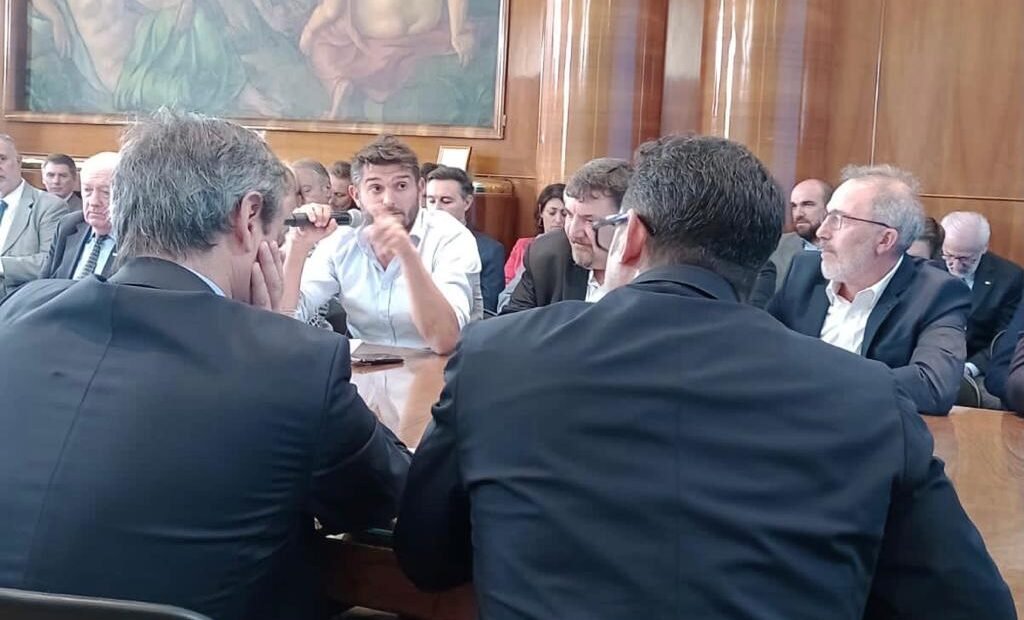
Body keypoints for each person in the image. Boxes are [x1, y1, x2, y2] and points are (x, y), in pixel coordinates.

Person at [394, 134, 1014, 620]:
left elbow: (426, 557)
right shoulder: (867, 397)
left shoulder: (496, 358)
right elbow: (969, 606)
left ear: (631, 237)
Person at [0, 111, 410, 620]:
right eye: (277, 232)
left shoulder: (21, 311)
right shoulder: (294, 363)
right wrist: (271, 336)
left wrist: (265, 340)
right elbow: (387, 494)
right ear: (248, 217)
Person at [768, 165, 970, 415]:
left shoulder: (937, 292)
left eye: (839, 220)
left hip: (871, 431)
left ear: (885, 240)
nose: (821, 232)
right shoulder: (804, 271)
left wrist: (823, 382)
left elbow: (932, 386)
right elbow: (762, 348)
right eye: (827, 215)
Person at [281, 135, 480, 354]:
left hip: (438, 366)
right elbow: (286, 319)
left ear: (420, 189)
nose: (389, 200)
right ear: (356, 195)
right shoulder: (341, 239)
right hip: (362, 367)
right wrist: (298, 247)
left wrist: (407, 255)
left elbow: (445, 341)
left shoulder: (450, 236)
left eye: (401, 186)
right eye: (376, 188)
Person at [501, 159, 631, 313]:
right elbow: (512, 323)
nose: (573, 232)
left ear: (626, 223)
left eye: (590, 220)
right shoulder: (546, 256)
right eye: (569, 214)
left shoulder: (650, 271)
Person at [940, 211, 1023, 383]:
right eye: (949, 255)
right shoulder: (928, 265)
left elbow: (1004, 338)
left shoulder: (1010, 278)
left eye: (965, 258)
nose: (955, 265)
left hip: (976, 365)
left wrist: (971, 368)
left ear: (984, 248)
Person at [0, 134, 72, 298]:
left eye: (2, 159)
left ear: (19, 162)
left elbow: (50, 262)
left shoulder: (50, 206)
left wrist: (2, 265)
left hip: (17, 302)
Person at [426, 165, 504, 314]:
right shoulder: (410, 242)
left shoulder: (490, 250)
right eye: (431, 201)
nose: (436, 209)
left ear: (467, 202)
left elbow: (487, 311)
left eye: (446, 201)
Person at [41, 151, 120, 279]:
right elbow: (44, 282)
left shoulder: (141, 241)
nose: (93, 202)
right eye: (87, 190)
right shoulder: (68, 226)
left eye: (106, 192)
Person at [767, 178, 831, 290]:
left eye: (808, 205)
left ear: (829, 208)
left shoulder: (847, 249)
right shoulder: (776, 247)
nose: (798, 214)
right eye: (794, 206)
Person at [503, 183, 566, 284]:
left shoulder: (575, 251)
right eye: (552, 213)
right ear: (541, 212)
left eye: (564, 214)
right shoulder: (523, 245)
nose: (558, 220)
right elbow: (507, 283)